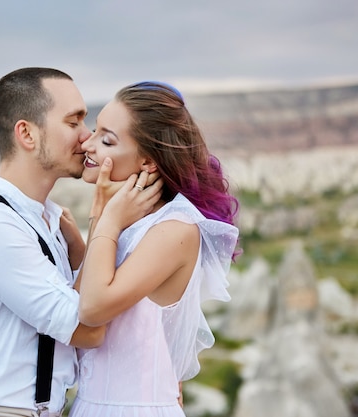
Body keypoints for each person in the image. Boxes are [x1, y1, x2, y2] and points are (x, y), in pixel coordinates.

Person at [0, 68, 161, 417]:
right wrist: (105, 221)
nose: (86, 136)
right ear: (27, 134)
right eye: (73, 122)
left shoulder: (51, 219)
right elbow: (85, 329)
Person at [68, 81, 240, 417]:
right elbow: (77, 311)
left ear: (147, 161)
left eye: (106, 140)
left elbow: (93, 309)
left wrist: (107, 221)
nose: (88, 144)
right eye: (94, 130)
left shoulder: (175, 229)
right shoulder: (127, 222)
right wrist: (103, 216)